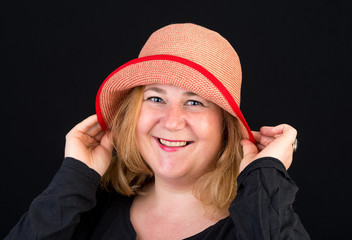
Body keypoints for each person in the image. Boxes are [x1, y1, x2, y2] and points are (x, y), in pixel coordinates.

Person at [5, 23, 310, 239]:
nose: (172, 121)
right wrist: (74, 179)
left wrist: (264, 174)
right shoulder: (90, 210)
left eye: (194, 101)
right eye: (155, 98)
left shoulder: (256, 224)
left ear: (226, 128)